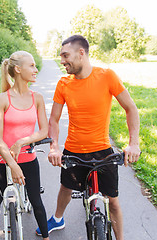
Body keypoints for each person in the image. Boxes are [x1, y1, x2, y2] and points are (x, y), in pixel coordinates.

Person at [36, 35, 141, 240]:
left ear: (81, 53)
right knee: (66, 188)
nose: (62, 60)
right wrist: (54, 147)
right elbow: (54, 120)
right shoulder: (64, 83)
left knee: (113, 201)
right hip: (74, 151)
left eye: (66, 55)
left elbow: (131, 108)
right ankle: (58, 218)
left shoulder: (107, 76)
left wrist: (133, 144)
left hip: (103, 151)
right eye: (61, 57)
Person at [0, 51, 50, 240]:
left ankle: (46, 237)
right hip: (3, 160)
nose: (36, 69)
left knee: (37, 201)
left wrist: (22, 141)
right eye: (31, 66)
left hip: (28, 158)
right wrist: (12, 164)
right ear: (18, 69)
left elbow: (43, 131)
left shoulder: (36, 98)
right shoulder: (2, 99)